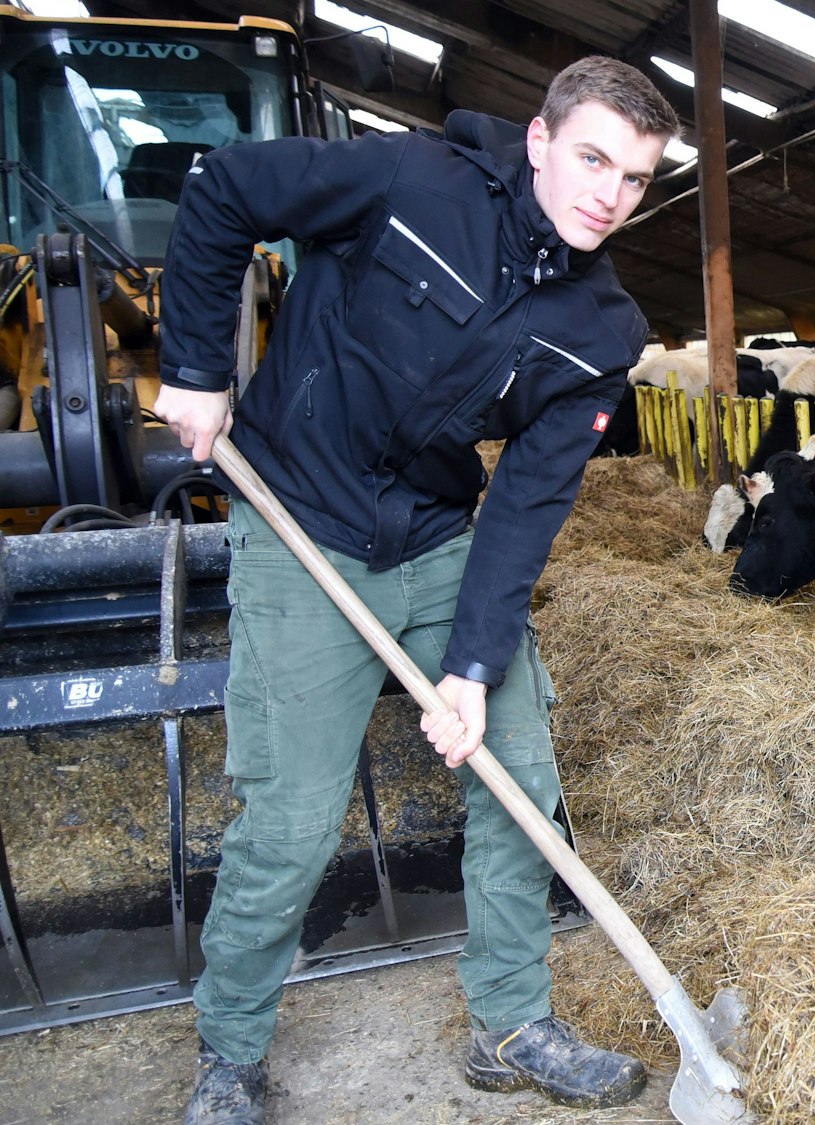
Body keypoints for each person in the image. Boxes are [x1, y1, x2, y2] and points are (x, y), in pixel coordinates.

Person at [151, 57, 676, 1124]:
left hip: (439, 538)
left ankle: (508, 1020)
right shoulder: (408, 181)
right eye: (591, 158)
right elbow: (225, 191)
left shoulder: (602, 333)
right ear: (539, 139)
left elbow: (524, 508)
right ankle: (232, 1047)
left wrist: (477, 665)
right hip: (303, 524)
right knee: (293, 818)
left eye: (633, 177)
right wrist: (198, 366)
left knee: (518, 779)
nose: (606, 194)